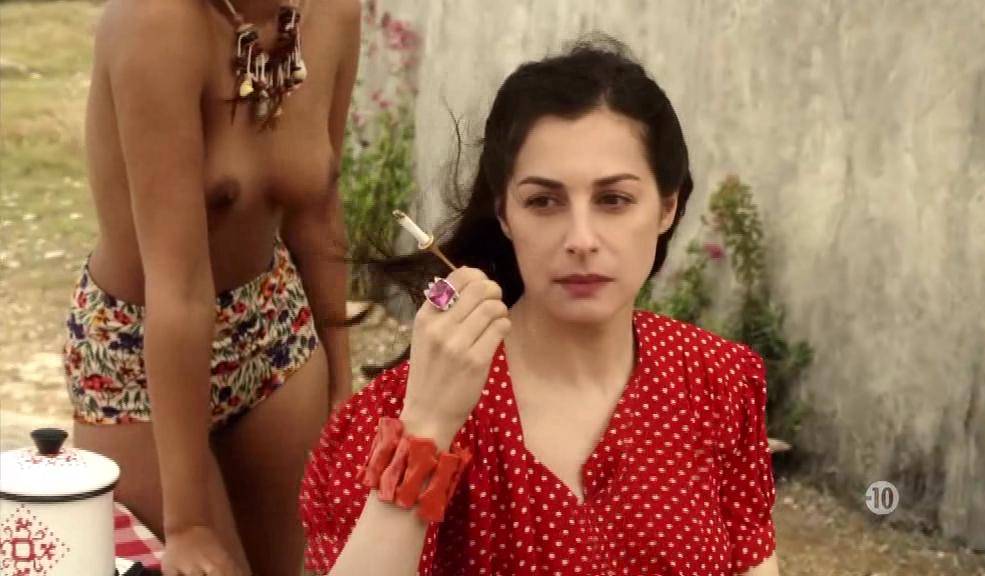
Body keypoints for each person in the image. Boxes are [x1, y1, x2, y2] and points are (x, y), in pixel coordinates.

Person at [299, 38, 781, 576]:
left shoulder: (717, 381)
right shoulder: (398, 413)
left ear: (667, 207)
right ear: (505, 215)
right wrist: (427, 426)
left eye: (613, 199)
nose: (581, 239)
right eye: (544, 201)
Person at [62, 0, 360, 573]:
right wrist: (188, 525)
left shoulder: (333, 13)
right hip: (137, 347)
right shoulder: (154, 22)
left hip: (270, 318)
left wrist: (342, 390)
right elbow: (177, 287)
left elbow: (318, 211)